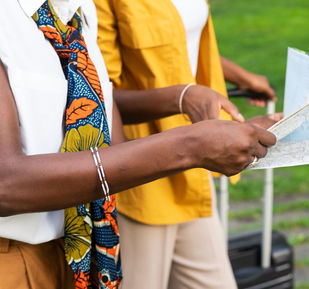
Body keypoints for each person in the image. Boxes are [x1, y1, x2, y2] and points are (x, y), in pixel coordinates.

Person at [0, 1, 276, 288]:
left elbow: (110, 135)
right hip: (13, 260)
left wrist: (227, 131)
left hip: (79, 252)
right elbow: (5, 183)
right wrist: (191, 145)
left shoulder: (77, 12)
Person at [95, 0, 277, 288]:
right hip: (142, 177)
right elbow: (98, 95)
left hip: (193, 170)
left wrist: (242, 77)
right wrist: (183, 97)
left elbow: (178, 42)